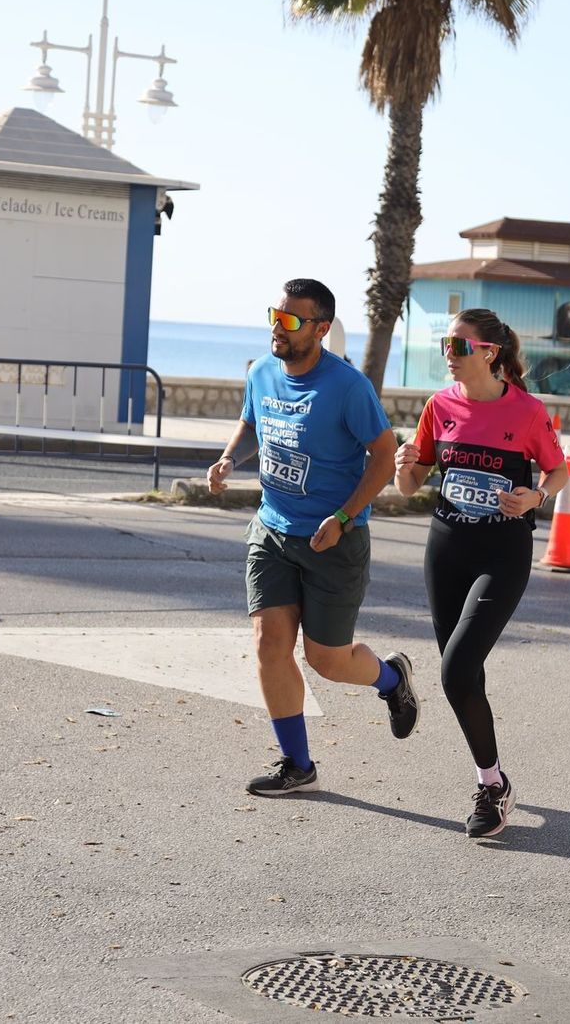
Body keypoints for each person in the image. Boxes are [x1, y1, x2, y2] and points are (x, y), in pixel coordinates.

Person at [208, 278, 417, 797]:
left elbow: (384, 457)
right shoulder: (260, 372)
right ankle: (296, 764)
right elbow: (252, 424)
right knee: (269, 644)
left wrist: (344, 518)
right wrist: (231, 458)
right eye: (274, 316)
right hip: (273, 530)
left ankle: (391, 679)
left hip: (334, 541)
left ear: (322, 329)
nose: (279, 328)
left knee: (328, 660)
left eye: (292, 321)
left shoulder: (347, 387)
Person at [393, 308, 567, 838]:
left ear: (490, 353)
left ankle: (492, 787)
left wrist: (536, 495)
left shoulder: (528, 412)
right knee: (464, 674)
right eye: (446, 344)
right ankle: (491, 779)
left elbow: (558, 470)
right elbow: (410, 484)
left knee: (454, 671)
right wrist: (404, 468)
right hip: (445, 549)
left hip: (502, 553)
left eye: (460, 345)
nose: (450, 352)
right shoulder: (438, 405)